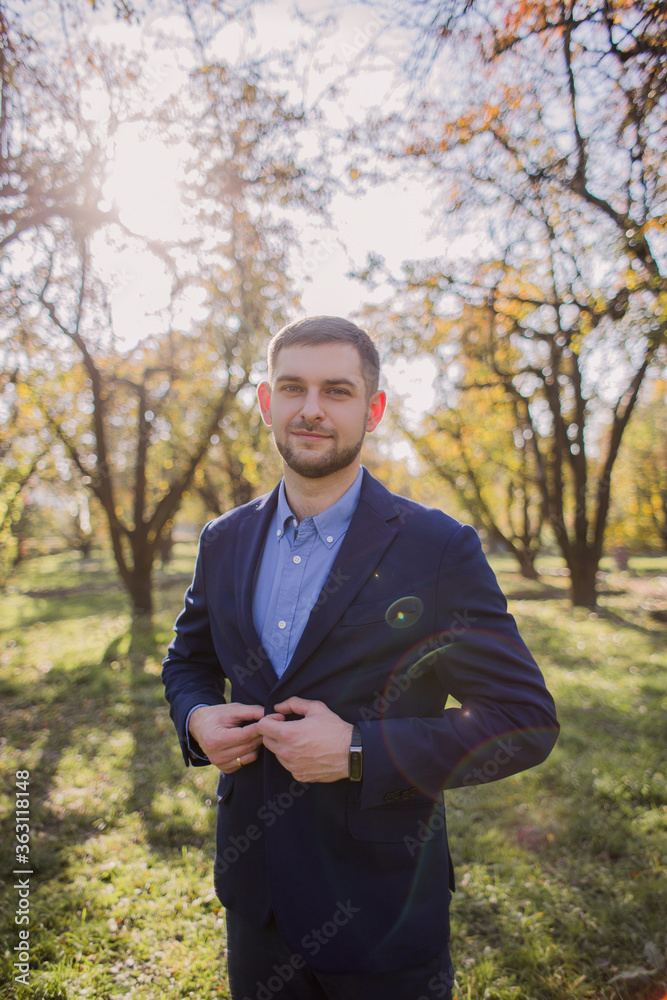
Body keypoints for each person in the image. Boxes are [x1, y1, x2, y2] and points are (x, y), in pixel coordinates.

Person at [162, 316, 559, 1000]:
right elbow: (187, 661)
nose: (311, 409)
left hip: (382, 910)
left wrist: (356, 751)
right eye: (292, 387)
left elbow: (523, 720)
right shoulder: (222, 540)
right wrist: (195, 717)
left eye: (337, 391)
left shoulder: (437, 549)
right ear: (266, 401)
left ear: (372, 409)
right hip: (254, 902)